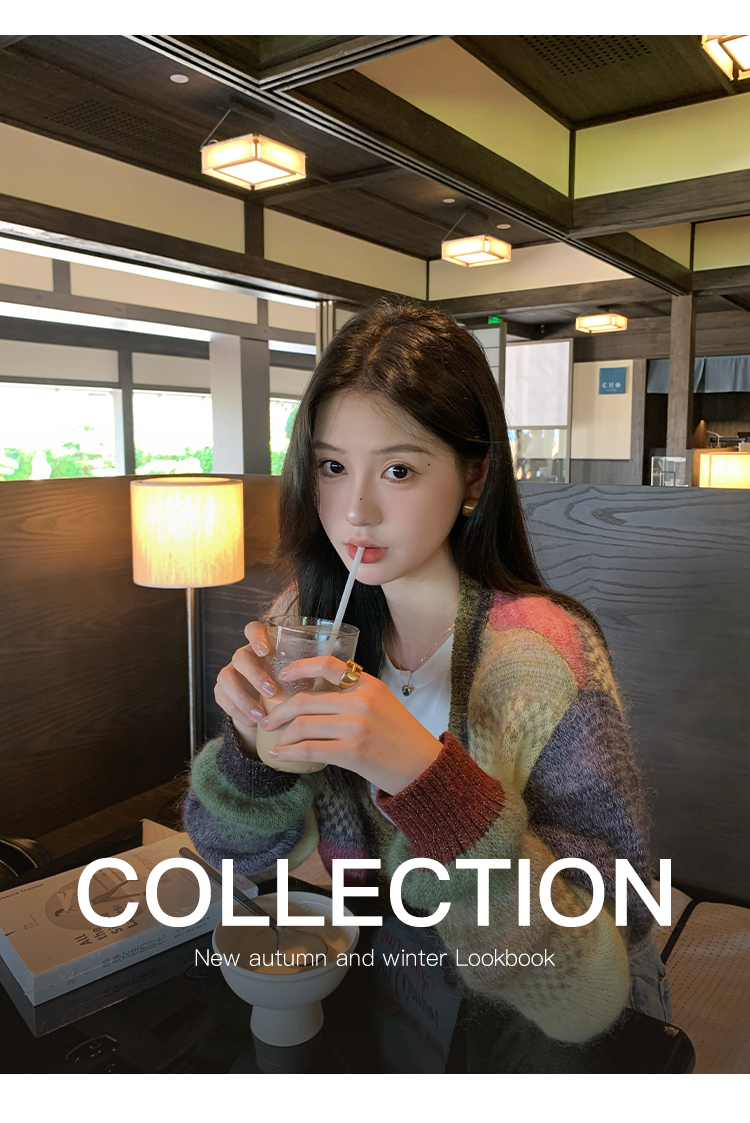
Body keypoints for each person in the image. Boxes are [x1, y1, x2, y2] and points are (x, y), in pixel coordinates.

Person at [184, 301, 671, 1046]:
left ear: (474, 477)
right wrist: (251, 761)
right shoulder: (301, 620)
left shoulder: (543, 654)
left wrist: (426, 781)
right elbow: (231, 855)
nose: (356, 511)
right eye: (333, 466)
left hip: (528, 1028)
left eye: (399, 470)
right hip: (383, 986)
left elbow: (590, 975)